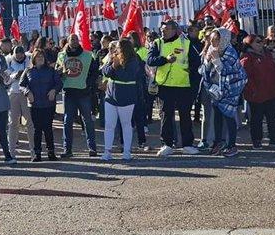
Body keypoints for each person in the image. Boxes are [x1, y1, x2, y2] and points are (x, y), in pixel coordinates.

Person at [147, 19, 200, 157]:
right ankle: (167, 144)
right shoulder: (157, 43)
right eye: (161, 30)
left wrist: (190, 74)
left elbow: (196, 63)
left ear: (174, 30)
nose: (162, 32)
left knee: (185, 115)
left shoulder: (185, 43)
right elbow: (150, 60)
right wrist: (165, 59)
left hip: (183, 85)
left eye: (165, 30)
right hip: (164, 86)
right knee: (166, 116)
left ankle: (187, 144)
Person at [200, 28, 248, 157]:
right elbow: (204, 70)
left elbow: (227, 71)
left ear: (224, 39)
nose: (213, 43)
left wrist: (216, 60)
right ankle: (218, 143)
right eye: (212, 40)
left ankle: (232, 145)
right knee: (217, 116)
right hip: (216, 90)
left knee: (229, 115)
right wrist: (207, 60)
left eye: (216, 40)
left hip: (231, 88)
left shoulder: (230, 52)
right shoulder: (211, 50)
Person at [56, 33, 99, 158]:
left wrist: (88, 83)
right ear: (68, 41)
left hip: (83, 92)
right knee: (67, 121)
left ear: (78, 41)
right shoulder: (61, 55)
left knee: (88, 121)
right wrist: (60, 73)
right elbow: (57, 73)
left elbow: (95, 72)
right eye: (71, 39)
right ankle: (67, 150)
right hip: (68, 92)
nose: (74, 41)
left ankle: (92, 149)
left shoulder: (87, 55)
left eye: (76, 39)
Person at [100, 39, 142, 161]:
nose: (116, 49)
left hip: (126, 97)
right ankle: (107, 151)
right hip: (111, 97)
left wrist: (117, 67)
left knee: (126, 125)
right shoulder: (113, 58)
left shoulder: (134, 60)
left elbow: (126, 76)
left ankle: (127, 151)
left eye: (118, 47)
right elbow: (105, 71)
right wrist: (113, 64)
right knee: (109, 125)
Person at [240, 35, 275, 148]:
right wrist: (252, 91)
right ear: (250, 44)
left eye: (261, 41)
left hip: (271, 92)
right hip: (256, 95)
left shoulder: (267, 54)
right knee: (256, 119)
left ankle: (274, 139)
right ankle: (257, 140)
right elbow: (246, 77)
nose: (261, 44)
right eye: (257, 42)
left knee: (272, 117)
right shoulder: (246, 57)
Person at [20, 49, 63, 161]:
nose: (40, 59)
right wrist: (27, 92)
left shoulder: (51, 70)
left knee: (48, 128)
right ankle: (37, 153)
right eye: (38, 57)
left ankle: (51, 152)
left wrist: (54, 90)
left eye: (42, 57)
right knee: (36, 129)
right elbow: (22, 85)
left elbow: (59, 83)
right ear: (34, 58)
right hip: (34, 105)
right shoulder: (28, 71)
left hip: (48, 104)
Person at [6, 45, 34, 159]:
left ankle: (33, 150)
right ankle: (11, 152)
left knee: (30, 123)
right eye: (16, 53)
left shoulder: (29, 60)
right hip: (13, 93)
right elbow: (5, 79)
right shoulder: (8, 61)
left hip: (26, 93)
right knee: (13, 123)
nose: (19, 55)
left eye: (21, 52)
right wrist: (14, 76)